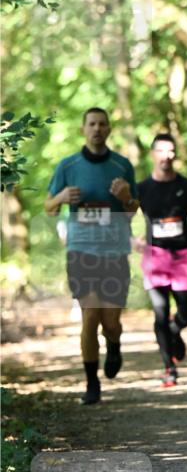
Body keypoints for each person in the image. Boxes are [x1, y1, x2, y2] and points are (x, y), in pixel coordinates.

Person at [45, 107, 138, 405]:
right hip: (81, 252)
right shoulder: (68, 165)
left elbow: (132, 209)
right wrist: (60, 198)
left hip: (114, 251)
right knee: (90, 316)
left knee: (110, 320)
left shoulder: (122, 165)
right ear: (83, 129)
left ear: (109, 129)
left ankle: (114, 343)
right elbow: (49, 207)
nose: (97, 129)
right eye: (91, 124)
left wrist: (125, 198)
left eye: (102, 124)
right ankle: (91, 383)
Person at [137, 133, 187, 387]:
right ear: (153, 154)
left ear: (175, 154)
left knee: (186, 313)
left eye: (171, 151)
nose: (166, 156)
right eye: (161, 151)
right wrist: (134, 240)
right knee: (160, 314)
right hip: (154, 258)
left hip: (182, 258)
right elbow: (126, 221)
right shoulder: (141, 189)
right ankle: (169, 367)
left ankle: (174, 332)